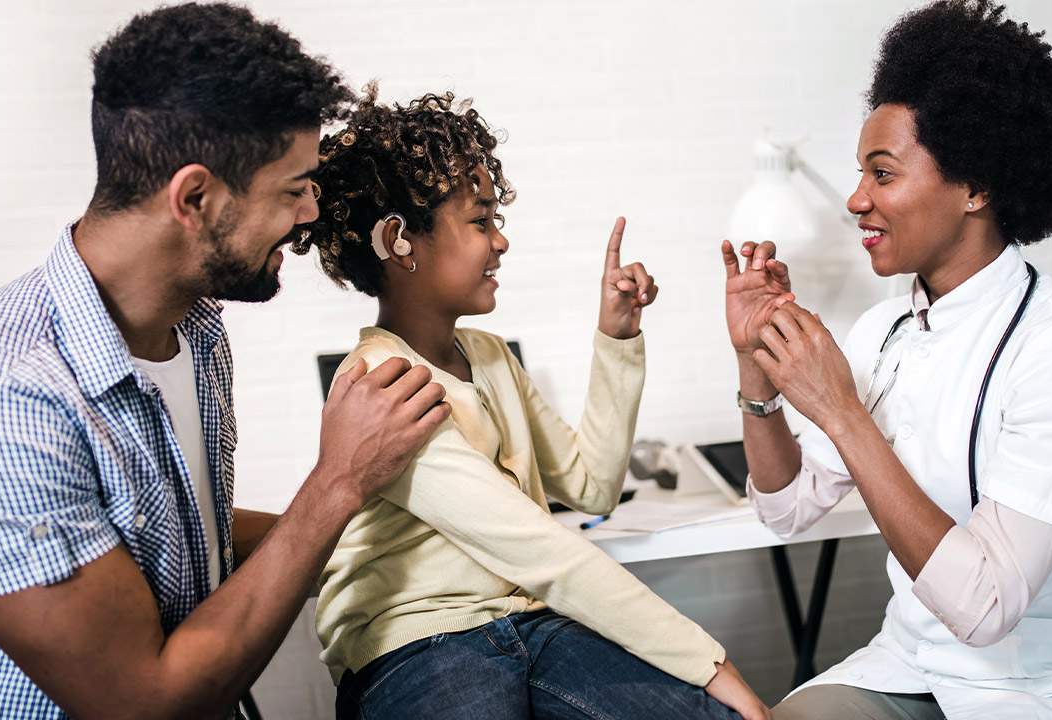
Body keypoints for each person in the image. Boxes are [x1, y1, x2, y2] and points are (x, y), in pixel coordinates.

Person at [0, 5, 451, 718]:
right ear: (195, 197)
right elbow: (143, 702)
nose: (310, 214)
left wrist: (415, 536)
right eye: (292, 188)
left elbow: (183, 538)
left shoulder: (197, 330)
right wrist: (337, 482)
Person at [722, 1, 1052, 718]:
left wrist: (841, 412)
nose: (856, 199)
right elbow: (784, 509)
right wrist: (756, 368)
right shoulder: (884, 330)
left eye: (883, 174)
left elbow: (987, 607)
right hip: (914, 664)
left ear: (976, 187)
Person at [292, 86, 770, 720]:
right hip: (418, 646)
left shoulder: (489, 356)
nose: (501, 241)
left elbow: (592, 487)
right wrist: (708, 662)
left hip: (532, 624)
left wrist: (617, 339)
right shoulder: (382, 383)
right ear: (398, 239)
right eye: (481, 220)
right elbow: (540, 550)